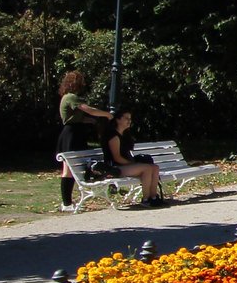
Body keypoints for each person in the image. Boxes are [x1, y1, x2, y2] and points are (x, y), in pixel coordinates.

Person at [54, 70, 111, 212]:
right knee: (68, 169)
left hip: (76, 132)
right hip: (71, 134)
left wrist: (92, 121)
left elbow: (79, 117)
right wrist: (107, 114)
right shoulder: (71, 97)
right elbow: (88, 110)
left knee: (74, 168)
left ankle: (69, 201)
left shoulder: (70, 98)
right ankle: (66, 203)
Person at [103, 108, 163, 205]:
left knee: (155, 168)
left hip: (126, 165)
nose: (129, 121)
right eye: (126, 118)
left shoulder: (125, 135)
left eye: (130, 119)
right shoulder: (113, 136)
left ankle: (154, 197)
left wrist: (134, 163)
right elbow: (117, 158)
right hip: (115, 167)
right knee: (147, 168)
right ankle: (146, 199)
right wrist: (134, 164)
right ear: (118, 119)